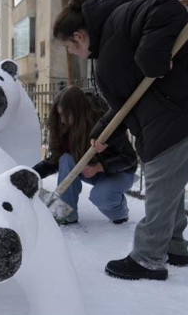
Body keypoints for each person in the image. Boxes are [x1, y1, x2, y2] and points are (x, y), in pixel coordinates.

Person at [53, 0, 188, 281]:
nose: (71, 53)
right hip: (176, 110)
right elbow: (127, 101)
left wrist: (152, 57)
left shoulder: (118, 20)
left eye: (68, 47)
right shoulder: (109, 43)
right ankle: (174, 246)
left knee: (160, 181)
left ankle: (148, 258)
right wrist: (101, 132)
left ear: (79, 36)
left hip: (185, 107)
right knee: (169, 182)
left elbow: (166, 9)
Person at [33, 85, 137, 225]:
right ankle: (66, 213)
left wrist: (99, 167)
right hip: (91, 171)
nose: (62, 120)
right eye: (59, 115)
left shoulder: (103, 124)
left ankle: (120, 211)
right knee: (65, 158)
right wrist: (32, 174)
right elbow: (55, 159)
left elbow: (130, 159)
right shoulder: (65, 128)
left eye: (65, 115)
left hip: (119, 172)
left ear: (77, 112)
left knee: (100, 196)